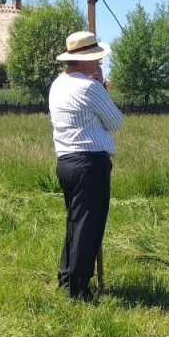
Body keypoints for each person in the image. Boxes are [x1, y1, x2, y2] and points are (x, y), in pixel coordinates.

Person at [49, 31, 123, 301]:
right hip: (89, 163)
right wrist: (101, 87)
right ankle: (78, 291)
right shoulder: (89, 87)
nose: (100, 63)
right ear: (85, 61)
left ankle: (67, 275)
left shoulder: (58, 84)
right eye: (97, 59)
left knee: (75, 223)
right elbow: (115, 121)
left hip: (66, 161)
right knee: (87, 227)